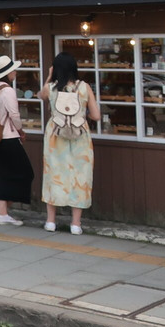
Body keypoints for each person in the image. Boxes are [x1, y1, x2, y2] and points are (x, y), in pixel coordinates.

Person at [38, 51, 101, 235]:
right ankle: (76, 224)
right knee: (80, 177)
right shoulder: (84, 87)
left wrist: (49, 76)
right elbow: (96, 115)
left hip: (55, 137)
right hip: (80, 136)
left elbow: (40, 95)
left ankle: (50, 222)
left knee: (54, 175)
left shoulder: (51, 88)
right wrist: (80, 114)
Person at [0, 55, 35, 226]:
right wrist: (21, 130)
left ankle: (3, 209)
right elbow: (14, 115)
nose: (15, 71)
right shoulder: (7, 91)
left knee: (6, 172)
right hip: (8, 136)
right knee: (26, 172)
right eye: (13, 69)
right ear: (7, 73)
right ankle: (3, 209)